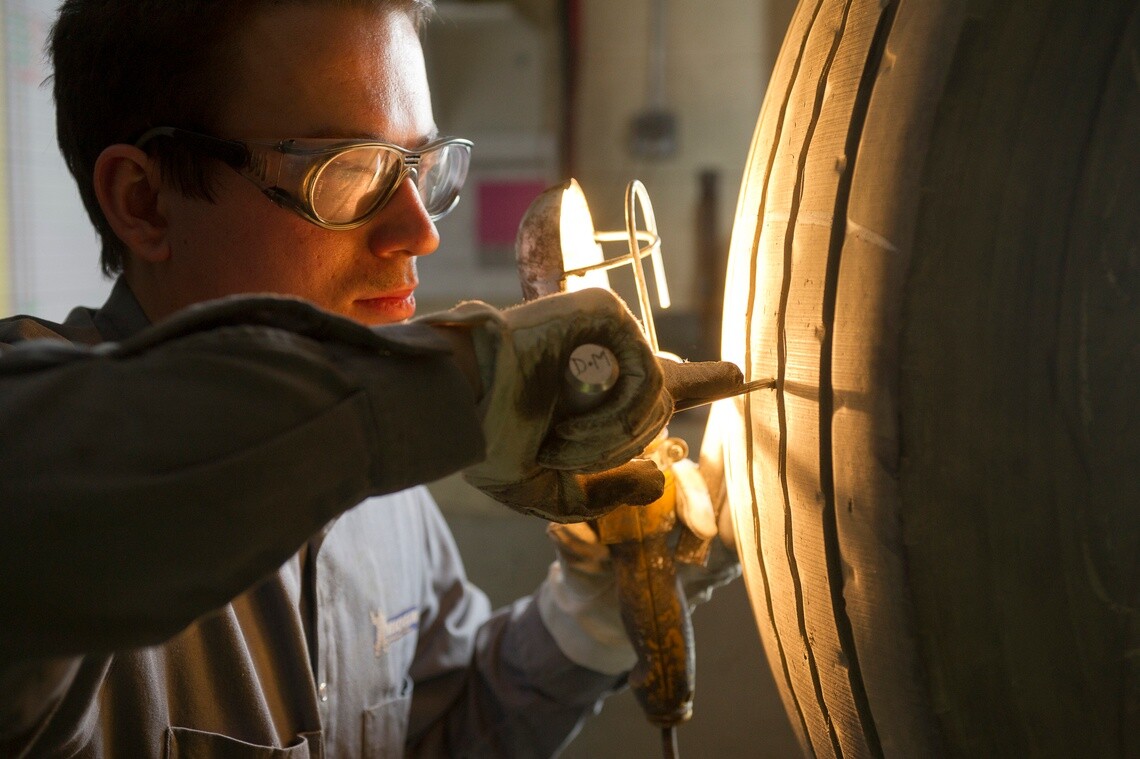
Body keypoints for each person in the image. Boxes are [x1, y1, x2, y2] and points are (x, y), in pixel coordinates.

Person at [0, 1, 741, 756]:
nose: (420, 230)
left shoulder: (386, 496)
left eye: (420, 167)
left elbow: (439, 732)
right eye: (349, 172)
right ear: (144, 201)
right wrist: (466, 384)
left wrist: (587, 614)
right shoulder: (43, 444)